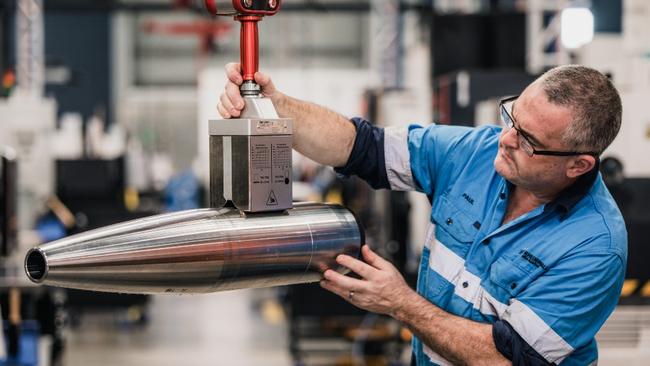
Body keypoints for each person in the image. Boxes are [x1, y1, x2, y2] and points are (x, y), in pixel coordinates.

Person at [218, 63, 627, 365]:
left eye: (529, 141)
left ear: (579, 166)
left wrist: (400, 303)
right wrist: (277, 107)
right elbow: (363, 147)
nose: (505, 139)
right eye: (511, 117)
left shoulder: (595, 247)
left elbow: (507, 358)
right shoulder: (476, 153)